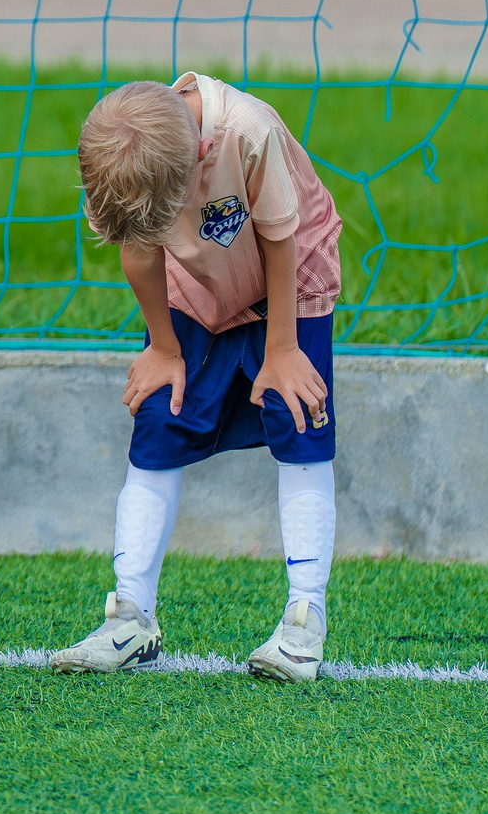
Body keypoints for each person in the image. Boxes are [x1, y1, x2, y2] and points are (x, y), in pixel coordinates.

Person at [50, 76, 344, 684]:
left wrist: (283, 347)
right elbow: (137, 247)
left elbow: (281, 236)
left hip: (289, 283)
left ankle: (303, 623)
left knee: (297, 418)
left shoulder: (246, 133)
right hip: (202, 289)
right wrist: (162, 346)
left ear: (199, 161)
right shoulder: (127, 155)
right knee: (159, 417)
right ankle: (130, 619)